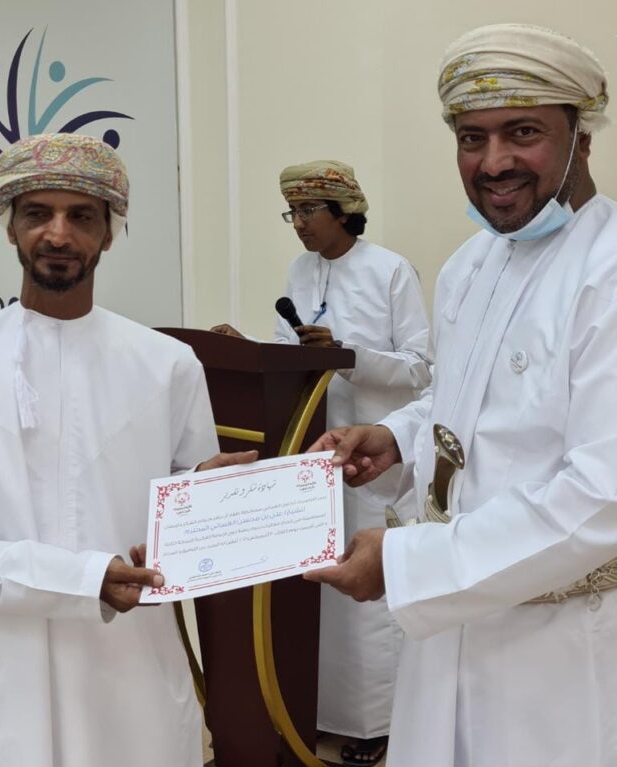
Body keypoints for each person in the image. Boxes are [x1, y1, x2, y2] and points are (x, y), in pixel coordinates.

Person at [306, 23, 617, 767]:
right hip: (457, 624)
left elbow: (612, 496)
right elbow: (464, 404)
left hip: (581, 644)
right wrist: (398, 437)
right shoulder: (472, 264)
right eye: (472, 138)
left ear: (581, 136)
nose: (494, 161)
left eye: (523, 132)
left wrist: (408, 563)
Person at [0, 132, 254, 767]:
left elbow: (186, 513)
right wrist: (82, 579)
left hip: (128, 657)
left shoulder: (168, 365)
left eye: (81, 216)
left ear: (109, 233)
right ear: (10, 228)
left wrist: (213, 505)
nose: (58, 234)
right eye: (37, 214)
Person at [215, 160, 432, 765]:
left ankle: (378, 723)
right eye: (293, 213)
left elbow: (420, 368)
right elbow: (290, 353)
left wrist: (348, 354)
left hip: (373, 453)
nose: (299, 224)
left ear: (343, 212)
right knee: (319, 587)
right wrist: (249, 347)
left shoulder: (390, 270)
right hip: (309, 444)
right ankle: (318, 711)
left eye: (309, 211)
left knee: (364, 595)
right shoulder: (301, 270)